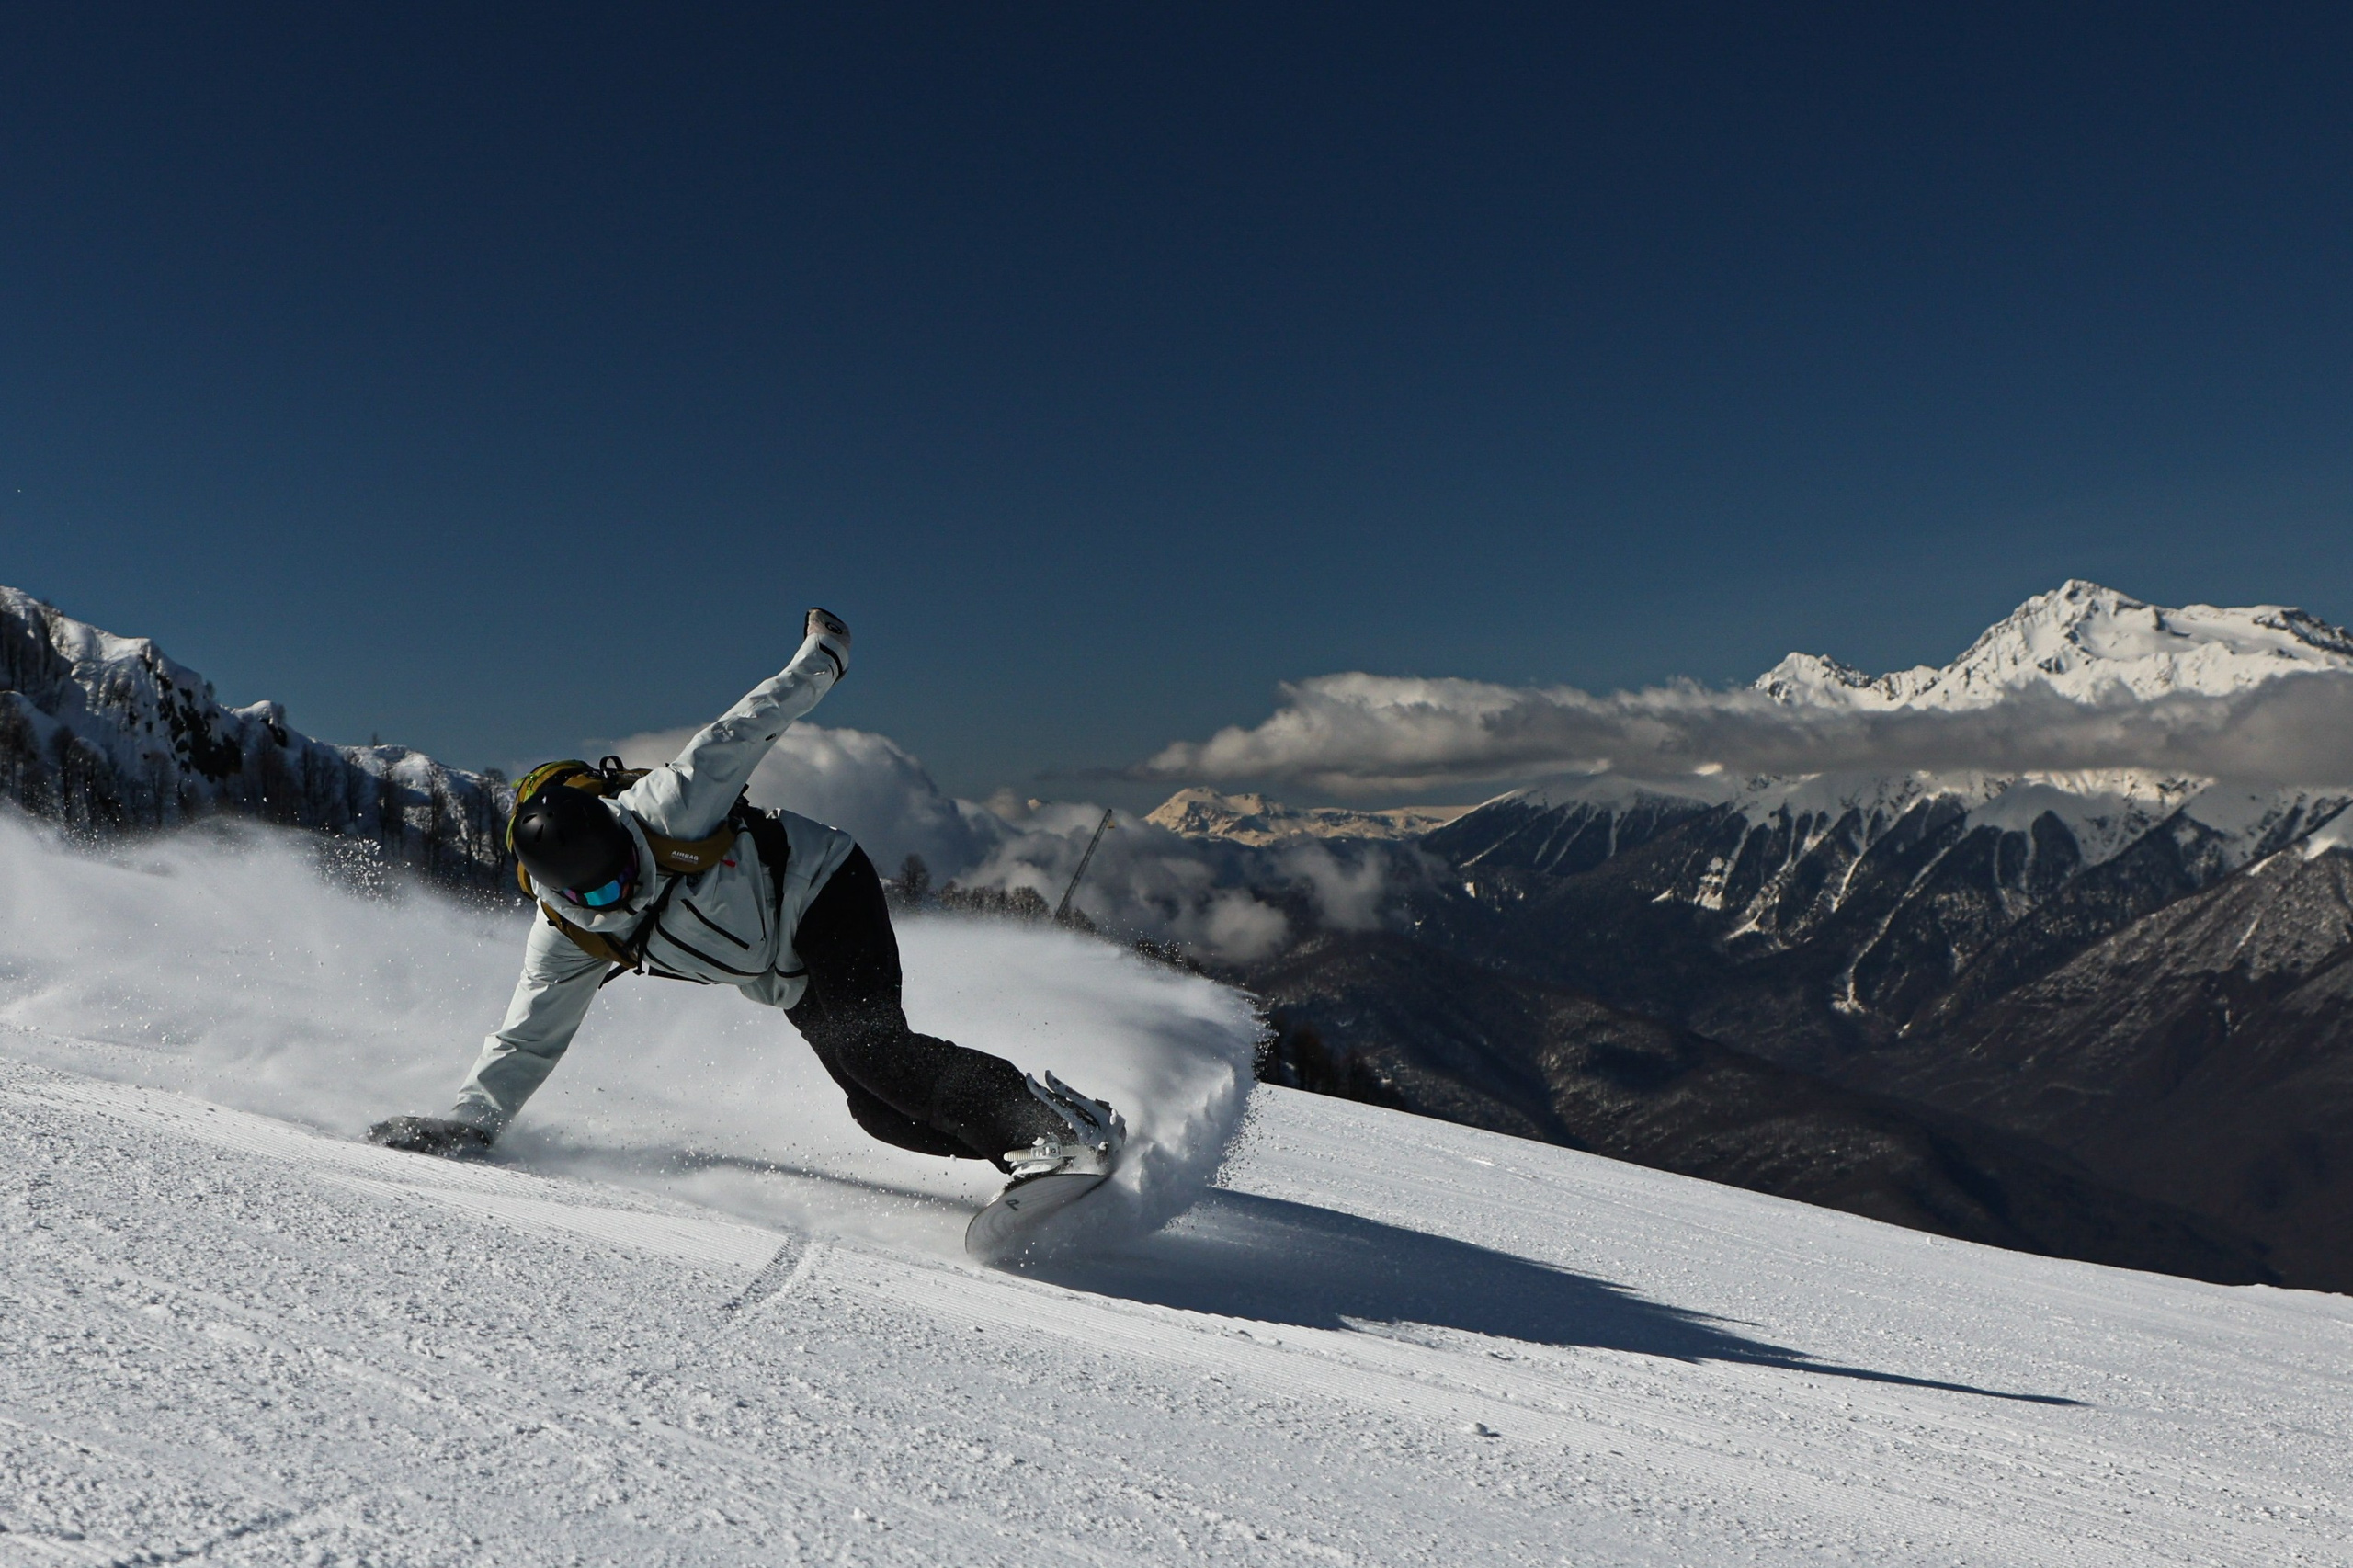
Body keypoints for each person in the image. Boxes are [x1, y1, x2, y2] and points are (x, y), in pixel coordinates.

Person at [367, 608, 1122, 1188]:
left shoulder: (669, 807)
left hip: (825, 888)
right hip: (785, 972)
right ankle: (1043, 1142)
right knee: (877, 1111)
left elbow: (749, 724)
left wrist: (822, 657)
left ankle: (1038, 1132)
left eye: (624, 867)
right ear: (561, 893)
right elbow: (525, 1040)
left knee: (873, 1047)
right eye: (598, 891)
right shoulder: (571, 937)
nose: (621, 890)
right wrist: (466, 1126)